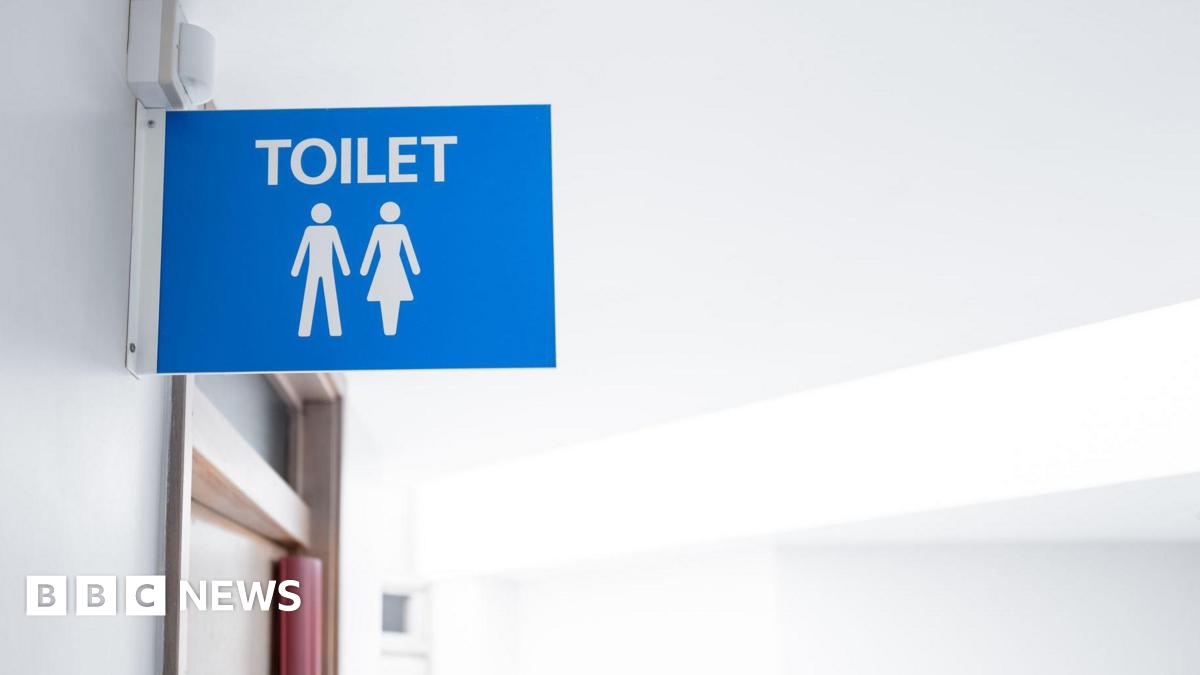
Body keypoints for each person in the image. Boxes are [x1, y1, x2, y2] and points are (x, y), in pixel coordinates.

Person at [360, 201, 421, 336]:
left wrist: (414, 267)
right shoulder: (379, 229)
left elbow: (408, 249)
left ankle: (391, 330)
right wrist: (365, 268)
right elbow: (371, 249)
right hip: (387, 265)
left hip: (393, 265)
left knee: (394, 295)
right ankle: (388, 330)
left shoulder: (400, 229)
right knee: (385, 294)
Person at [291, 203, 350, 337]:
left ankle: (334, 329)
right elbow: (302, 250)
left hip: (326, 268)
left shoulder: (331, 230)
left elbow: (338, 249)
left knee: (329, 296)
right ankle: (305, 330)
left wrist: (344, 267)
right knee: (312, 296)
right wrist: (296, 268)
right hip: (314, 268)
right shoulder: (310, 231)